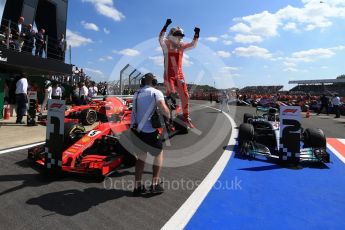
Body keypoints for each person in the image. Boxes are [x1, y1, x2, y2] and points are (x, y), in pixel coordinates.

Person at [130, 73, 170, 196]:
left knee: (141, 158)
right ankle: (155, 184)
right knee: (158, 154)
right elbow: (163, 108)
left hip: (136, 130)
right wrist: (168, 117)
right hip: (150, 131)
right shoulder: (156, 93)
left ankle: (137, 187)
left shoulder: (136, 94)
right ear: (154, 82)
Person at [159, 18, 200, 129]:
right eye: (177, 35)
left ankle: (186, 118)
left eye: (180, 35)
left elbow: (193, 45)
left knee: (185, 96)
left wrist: (196, 34)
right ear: (172, 34)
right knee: (171, 95)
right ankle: (168, 120)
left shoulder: (181, 46)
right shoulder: (166, 44)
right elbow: (160, 38)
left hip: (179, 75)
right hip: (169, 76)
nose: (179, 37)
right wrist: (165, 25)